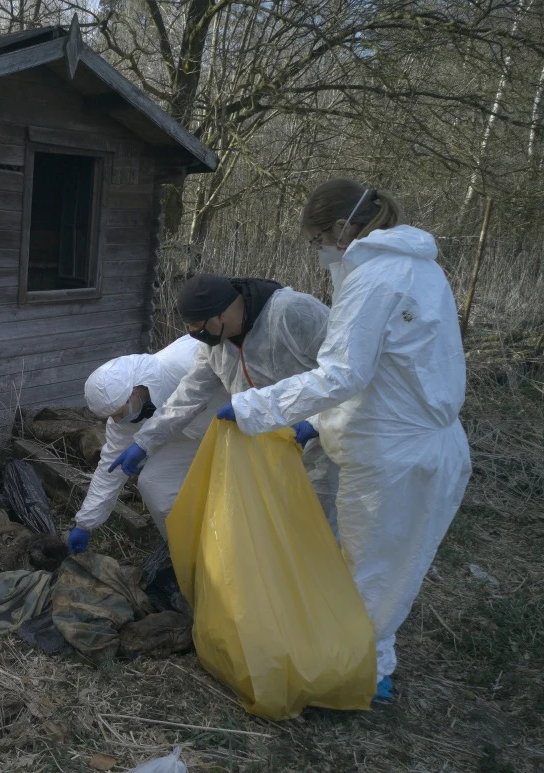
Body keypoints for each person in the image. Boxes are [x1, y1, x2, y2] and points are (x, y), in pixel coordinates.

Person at [216, 180, 472, 700]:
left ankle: (351, 676)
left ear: (340, 228)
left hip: (392, 457)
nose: (319, 251)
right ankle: (369, 664)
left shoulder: (376, 278)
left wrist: (254, 408)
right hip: (430, 443)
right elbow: (395, 375)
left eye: (317, 239)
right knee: (392, 566)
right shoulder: (420, 267)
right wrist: (323, 424)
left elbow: (343, 375)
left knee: (369, 571)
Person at [111, 273, 340, 530]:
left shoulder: (292, 312)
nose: (193, 333)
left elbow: (350, 370)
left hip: (323, 443)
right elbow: (188, 396)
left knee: (324, 525)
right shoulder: (214, 345)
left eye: (197, 324)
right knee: (279, 525)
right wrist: (145, 442)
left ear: (220, 314)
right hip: (269, 447)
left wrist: (316, 422)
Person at [66, 335, 222, 554]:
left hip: (239, 425)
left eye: (119, 413)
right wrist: (85, 524)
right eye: (113, 416)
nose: (118, 420)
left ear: (134, 390)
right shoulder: (125, 419)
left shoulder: (187, 359)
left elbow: (260, 372)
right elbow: (110, 470)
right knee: (155, 482)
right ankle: (188, 553)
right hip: (187, 438)